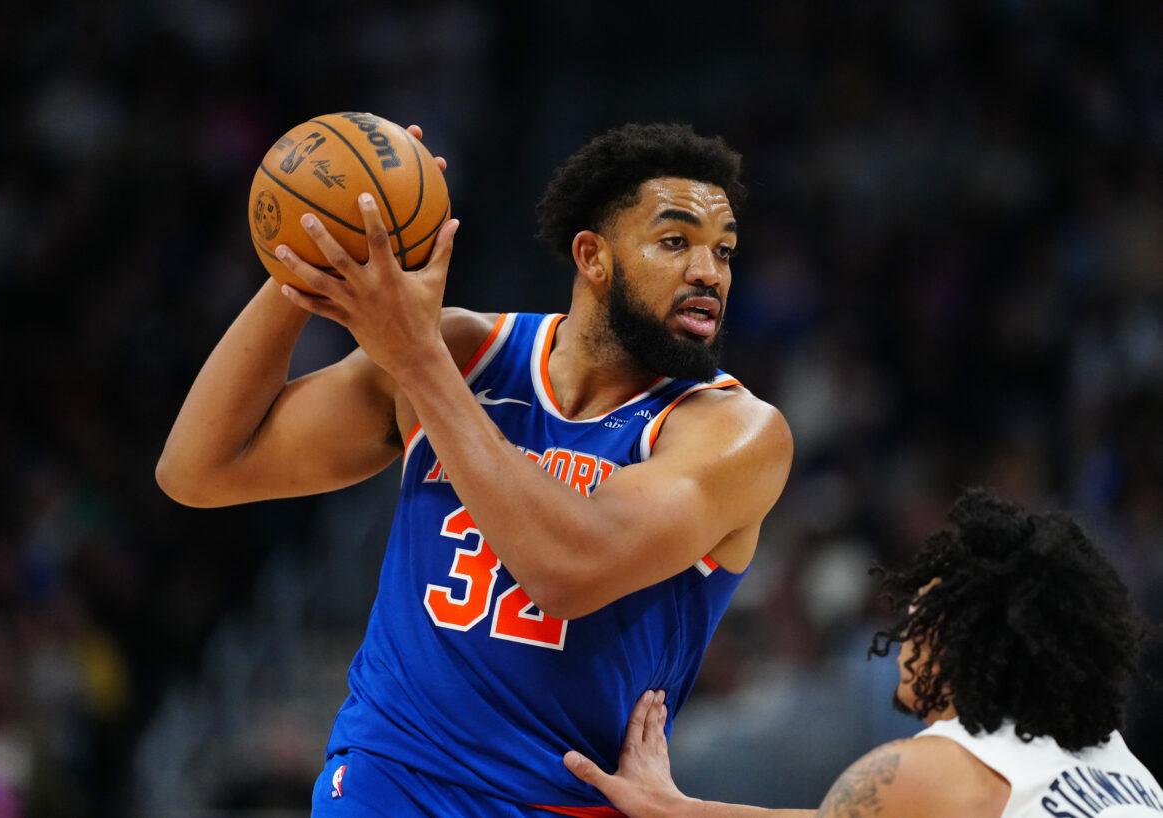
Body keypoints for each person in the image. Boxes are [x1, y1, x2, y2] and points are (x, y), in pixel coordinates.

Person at [156, 121, 793, 815]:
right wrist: (308, 259)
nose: (710, 272)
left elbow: (564, 568)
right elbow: (200, 469)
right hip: (386, 776)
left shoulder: (734, 432)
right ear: (592, 255)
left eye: (723, 251)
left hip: (555, 801)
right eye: (677, 242)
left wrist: (417, 361)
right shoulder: (464, 349)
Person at [563, 487, 1163, 817]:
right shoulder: (1124, 769)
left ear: (968, 641)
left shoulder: (928, 771)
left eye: (923, 611)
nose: (904, 626)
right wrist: (676, 809)